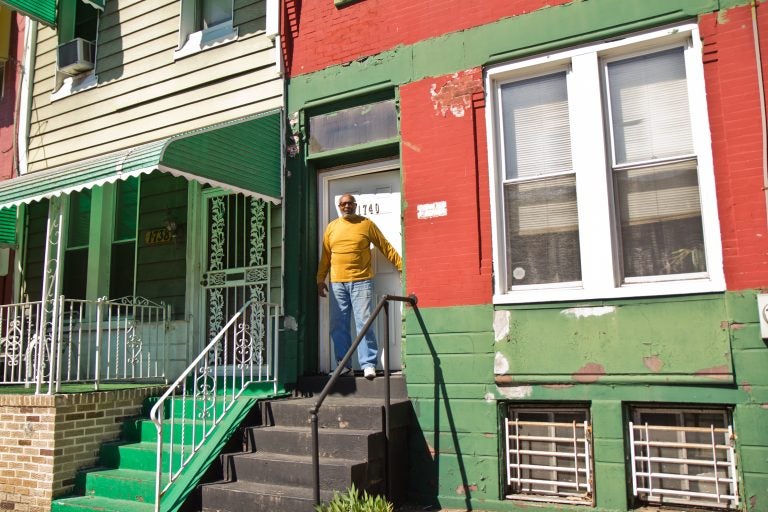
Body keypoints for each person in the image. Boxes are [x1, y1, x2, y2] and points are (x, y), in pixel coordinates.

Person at [317, 193, 402, 380]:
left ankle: (368, 364)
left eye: (350, 203)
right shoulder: (331, 227)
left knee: (364, 322)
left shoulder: (366, 224)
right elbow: (325, 256)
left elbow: (384, 246)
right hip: (337, 283)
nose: (347, 206)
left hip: (362, 281)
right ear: (339, 207)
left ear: (355, 205)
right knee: (338, 325)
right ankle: (343, 365)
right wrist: (320, 278)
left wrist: (401, 265)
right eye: (343, 204)